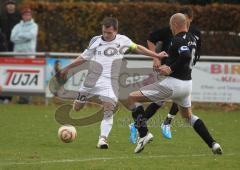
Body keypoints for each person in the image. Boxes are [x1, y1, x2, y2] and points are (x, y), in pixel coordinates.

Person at [57, 17, 167, 149]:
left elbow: (138, 48)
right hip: (90, 81)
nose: (106, 35)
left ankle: (102, 140)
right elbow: (83, 58)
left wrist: (156, 55)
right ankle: (79, 102)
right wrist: (67, 67)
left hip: (109, 83)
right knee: (77, 108)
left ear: (116, 31)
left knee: (109, 109)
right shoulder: (95, 41)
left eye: (109, 32)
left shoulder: (123, 40)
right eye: (104, 32)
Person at [127, 13, 222, 155]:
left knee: (131, 98)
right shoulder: (192, 38)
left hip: (173, 84)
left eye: (171, 25)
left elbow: (185, 56)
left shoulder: (177, 39)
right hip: (187, 84)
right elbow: (187, 58)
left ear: (175, 25)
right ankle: (213, 144)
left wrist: (170, 68)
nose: (170, 28)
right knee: (188, 117)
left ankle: (144, 133)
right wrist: (166, 67)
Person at [129, 6, 201, 143]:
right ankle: (144, 125)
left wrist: (189, 65)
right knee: (160, 101)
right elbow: (151, 38)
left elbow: (195, 53)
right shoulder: (170, 30)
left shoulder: (194, 34)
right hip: (167, 71)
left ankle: (151, 124)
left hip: (182, 73)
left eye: (186, 18)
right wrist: (156, 58)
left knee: (171, 99)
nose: (184, 21)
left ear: (190, 19)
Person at [10, 7, 38, 104]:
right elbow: (13, 38)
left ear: (31, 15)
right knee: (19, 75)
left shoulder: (34, 26)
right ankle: (20, 98)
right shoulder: (17, 26)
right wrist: (25, 37)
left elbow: (32, 35)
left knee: (29, 75)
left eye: (28, 14)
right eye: (25, 14)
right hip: (18, 54)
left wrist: (20, 36)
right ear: (22, 16)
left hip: (29, 55)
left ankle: (27, 98)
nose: (27, 16)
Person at [0, 0, 21, 103]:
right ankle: (2, 97)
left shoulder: (19, 17)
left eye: (12, 4)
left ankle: (9, 98)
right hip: (3, 49)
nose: (10, 6)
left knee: (12, 73)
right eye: (8, 4)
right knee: (3, 73)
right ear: (6, 6)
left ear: (14, 6)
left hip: (15, 49)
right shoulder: (2, 17)